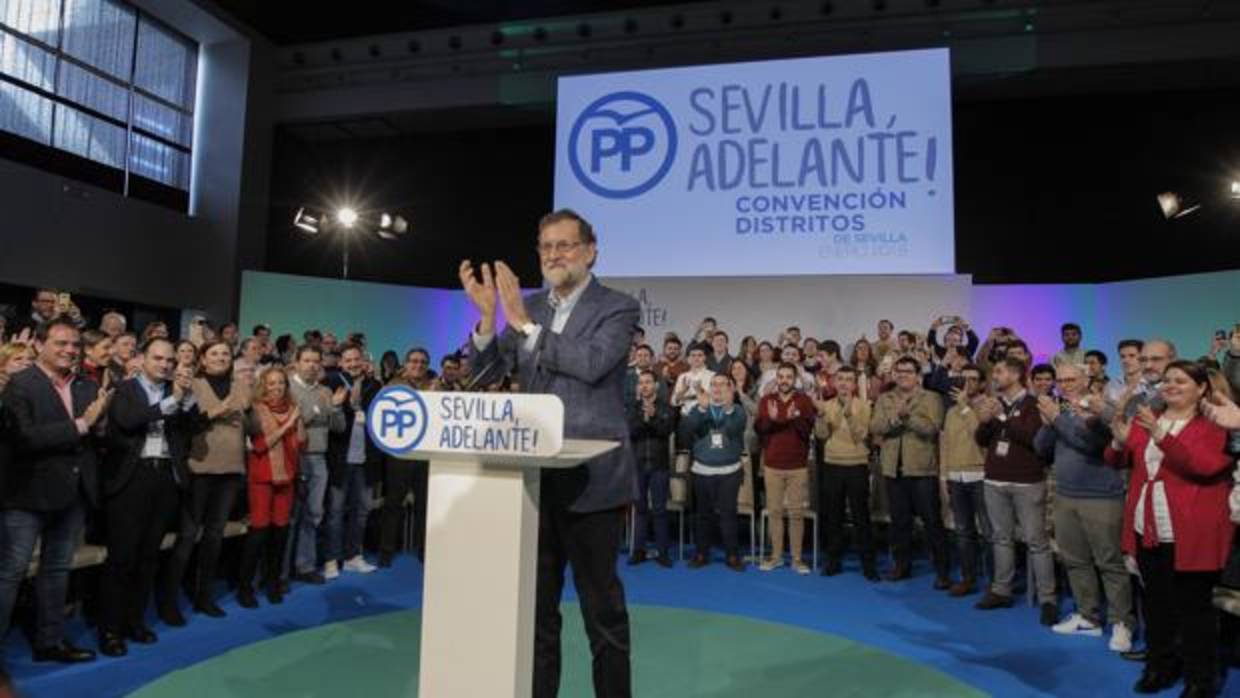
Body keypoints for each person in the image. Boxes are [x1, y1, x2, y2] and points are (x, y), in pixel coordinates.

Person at [460, 208, 639, 697]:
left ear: (590, 250)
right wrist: (487, 319)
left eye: (565, 245)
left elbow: (593, 363)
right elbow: (485, 375)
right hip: (533, 481)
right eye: (546, 247)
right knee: (537, 617)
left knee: (603, 613)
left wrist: (521, 324)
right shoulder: (530, 308)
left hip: (593, 482)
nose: (555, 255)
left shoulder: (617, 307)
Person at [1106, 360, 1234, 697]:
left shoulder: (1216, 425)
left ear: (1202, 388)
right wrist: (1118, 440)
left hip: (1192, 531)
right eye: (1167, 380)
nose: (1171, 385)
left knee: (1194, 610)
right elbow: (1117, 460)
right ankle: (1160, 664)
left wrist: (1159, 435)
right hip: (1146, 525)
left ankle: (1200, 678)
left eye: (1180, 380)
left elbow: (1204, 466)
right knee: (1156, 604)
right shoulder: (1149, 416)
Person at [0, 317, 109, 663]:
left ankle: (49, 642)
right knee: (10, 573)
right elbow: (24, 438)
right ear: (39, 345)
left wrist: (100, 424)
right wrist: (82, 425)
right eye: (61, 343)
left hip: (72, 493)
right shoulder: (19, 385)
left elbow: (96, 437)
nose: (70, 350)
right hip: (26, 494)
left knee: (57, 570)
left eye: (75, 344)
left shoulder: (86, 385)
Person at [97, 338, 197, 657]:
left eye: (170, 360)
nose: (165, 365)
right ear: (142, 358)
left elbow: (192, 430)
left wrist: (187, 399)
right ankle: (110, 630)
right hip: (131, 479)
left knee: (148, 557)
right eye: (158, 358)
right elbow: (128, 421)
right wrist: (171, 403)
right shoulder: (125, 388)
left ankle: (135, 622)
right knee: (122, 558)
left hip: (165, 478)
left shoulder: (176, 392)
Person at [1034, 363, 1134, 651]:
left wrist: (1057, 420)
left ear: (1086, 378)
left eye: (1071, 379)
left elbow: (1093, 445)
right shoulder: (1061, 410)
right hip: (1066, 495)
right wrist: (1049, 421)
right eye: (1061, 380)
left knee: (1110, 563)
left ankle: (1122, 622)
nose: (1065, 384)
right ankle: (1088, 617)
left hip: (1101, 496)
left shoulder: (1103, 408)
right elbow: (1041, 448)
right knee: (1075, 560)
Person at [162, 340, 250, 624]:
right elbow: (183, 426)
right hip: (199, 470)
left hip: (231, 471)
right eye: (214, 353)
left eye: (225, 353)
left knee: (214, 537)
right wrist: (217, 411)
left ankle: (204, 597)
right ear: (203, 358)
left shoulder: (241, 385)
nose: (221, 357)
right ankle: (169, 601)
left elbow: (249, 425)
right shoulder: (194, 385)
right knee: (187, 538)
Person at [974, 357, 1057, 624]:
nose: (994, 376)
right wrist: (986, 421)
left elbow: (1031, 438)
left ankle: (1047, 599)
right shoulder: (996, 403)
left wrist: (999, 415)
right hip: (995, 479)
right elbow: (982, 440)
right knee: (1001, 537)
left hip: (1027, 482)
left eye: (998, 371)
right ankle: (1001, 590)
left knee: (1037, 541)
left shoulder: (1034, 404)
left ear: (1016, 374)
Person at [870, 356, 948, 586]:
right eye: (899, 371)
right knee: (899, 522)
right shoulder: (885, 398)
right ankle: (902, 566)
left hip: (922, 470)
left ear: (917, 375)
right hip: (894, 469)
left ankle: (942, 571)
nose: (903, 375)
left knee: (932, 522)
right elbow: (875, 427)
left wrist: (908, 417)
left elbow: (932, 428)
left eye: (908, 371)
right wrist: (895, 419)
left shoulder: (931, 397)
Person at [238, 368, 306, 608]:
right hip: (261, 479)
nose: (276, 387)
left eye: (280, 383)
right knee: (258, 534)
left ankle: (273, 583)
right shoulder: (255, 409)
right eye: (271, 383)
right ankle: (244, 587)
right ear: (263, 386)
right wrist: (287, 424)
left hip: (287, 478)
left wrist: (297, 422)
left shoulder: (292, 407)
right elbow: (259, 446)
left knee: (280, 534)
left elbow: (301, 442)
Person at [287, 345, 346, 584]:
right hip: (293, 457)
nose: (311, 365)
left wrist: (335, 407)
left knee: (313, 515)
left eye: (315, 361)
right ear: (297, 362)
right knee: (290, 517)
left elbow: (338, 427)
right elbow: (291, 422)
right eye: (307, 360)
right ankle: (281, 570)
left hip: (319, 458)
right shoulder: (287, 387)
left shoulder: (324, 391)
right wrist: (315, 414)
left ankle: (305, 566)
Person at [323, 344, 383, 579]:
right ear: (341, 363)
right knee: (335, 512)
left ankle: (352, 557)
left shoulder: (374, 385)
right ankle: (330, 559)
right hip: (340, 458)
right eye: (348, 360)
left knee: (362, 511)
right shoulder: (331, 383)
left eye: (356, 359)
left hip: (366, 459)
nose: (353, 364)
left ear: (363, 361)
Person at [754, 362, 816, 574]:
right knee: (775, 512)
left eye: (788, 377)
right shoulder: (766, 400)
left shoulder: (804, 401)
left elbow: (807, 430)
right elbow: (760, 428)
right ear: (776, 379)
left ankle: (797, 559)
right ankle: (776, 556)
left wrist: (793, 418)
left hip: (797, 465)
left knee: (796, 513)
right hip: (772, 465)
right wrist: (775, 420)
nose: (784, 380)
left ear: (795, 379)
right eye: (781, 376)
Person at [814, 365, 876, 580]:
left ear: (854, 384)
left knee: (861, 517)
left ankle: (868, 565)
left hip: (857, 465)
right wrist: (821, 416)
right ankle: (833, 561)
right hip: (832, 464)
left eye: (848, 379)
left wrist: (849, 414)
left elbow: (861, 435)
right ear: (834, 382)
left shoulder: (864, 406)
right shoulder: (827, 404)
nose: (843, 383)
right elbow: (821, 435)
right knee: (834, 517)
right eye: (840, 379)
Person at [682, 373, 748, 572]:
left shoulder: (737, 411)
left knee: (728, 514)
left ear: (730, 389)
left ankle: (732, 555)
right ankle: (702, 554)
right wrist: (702, 408)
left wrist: (727, 409)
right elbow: (688, 430)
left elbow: (732, 430)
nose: (717, 389)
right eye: (714, 385)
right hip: (702, 470)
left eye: (722, 385)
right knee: (703, 515)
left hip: (729, 471)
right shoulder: (699, 408)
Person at [379, 348, 433, 566]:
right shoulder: (393, 386)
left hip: (425, 455)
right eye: (413, 361)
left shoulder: (435, 388)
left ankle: (424, 549)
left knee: (424, 505)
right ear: (405, 363)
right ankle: (386, 551)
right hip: (399, 455)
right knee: (393, 503)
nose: (418, 365)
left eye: (422, 362)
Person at [940, 363, 990, 596]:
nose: (967, 384)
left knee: (989, 531)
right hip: (956, 475)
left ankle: (994, 582)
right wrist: (944, 474)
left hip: (981, 475)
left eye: (973, 379)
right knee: (963, 531)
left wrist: (965, 406)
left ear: (981, 383)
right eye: (964, 379)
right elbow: (946, 444)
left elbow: (981, 437)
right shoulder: (950, 411)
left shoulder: (988, 406)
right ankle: (968, 578)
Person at [626, 369, 674, 567]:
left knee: (660, 510)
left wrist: (653, 417)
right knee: (640, 509)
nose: (644, 385)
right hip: (638, 465)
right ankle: (639, 551)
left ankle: (663, 552)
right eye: (641, 382)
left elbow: (666, 430)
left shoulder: (665, 407)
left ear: (655, 385)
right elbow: (630, 432)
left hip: (659, 465)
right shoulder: (632, 408)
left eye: (648, 382)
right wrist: (644, 419)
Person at [671, 343, 714, 416]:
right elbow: (673, 402)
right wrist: (683, 391)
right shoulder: (682, 376)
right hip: (685, 416)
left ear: (705, 357)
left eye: (699, 355)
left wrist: (700, 390)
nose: (696, 358)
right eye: (693, 355)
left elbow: (714, 400)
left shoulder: (712, 375)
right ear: (688, 359)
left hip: (706, 416)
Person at [1106, 339, 1145, 406]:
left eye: (1132, 356)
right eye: (1122, 356)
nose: (1126, 360)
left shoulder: (1150, 385)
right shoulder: (1111, 385)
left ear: (1143, 358)